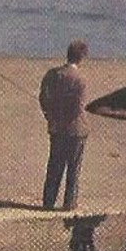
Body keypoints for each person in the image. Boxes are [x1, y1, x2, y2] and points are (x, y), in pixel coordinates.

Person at [38, 40, 89, 210]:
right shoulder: (80, 80)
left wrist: (50, 116)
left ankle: (48, 201)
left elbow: (43, 98)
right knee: (74, 169)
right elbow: (78, 107)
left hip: (57, 128)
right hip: (76, 130)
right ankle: (69, 203)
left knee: (54, 166)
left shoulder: (52, 74)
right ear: (82, 57)